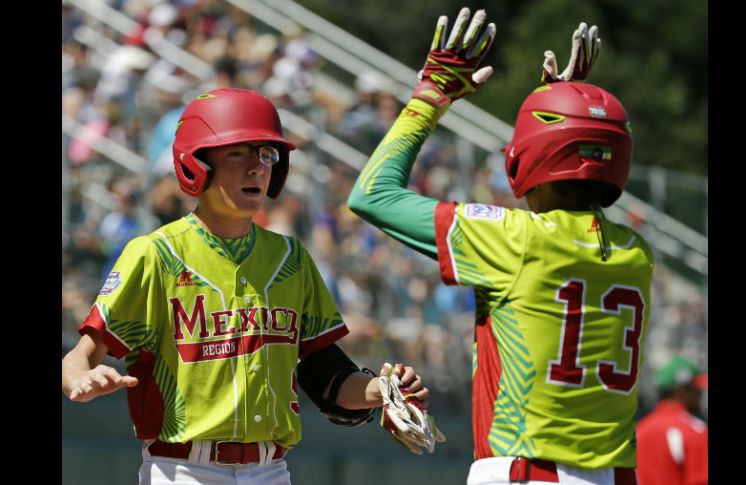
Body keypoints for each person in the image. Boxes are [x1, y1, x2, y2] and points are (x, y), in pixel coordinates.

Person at [62, 88, 432, 485]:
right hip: (182, 469)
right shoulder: (157, 254)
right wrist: (83, 379)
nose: (257, 167)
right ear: (197, 163)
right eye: (238, 152)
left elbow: (327, 377)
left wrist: (383, 390)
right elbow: (76, 360)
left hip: (271, 470)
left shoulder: (291, 259)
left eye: (266, 154)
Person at [348, 8, 652, 485]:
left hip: (526, 472)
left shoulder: (514, 239)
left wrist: (431, 96)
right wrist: (566, 113)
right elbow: (570, 215)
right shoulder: (637, 253)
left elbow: (371, 194)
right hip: (615, 475)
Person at [636, 357, 708, 485]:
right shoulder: (695, 429)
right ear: (682, 391)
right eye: (697, 390)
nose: (700, 395)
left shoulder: (639, 429)